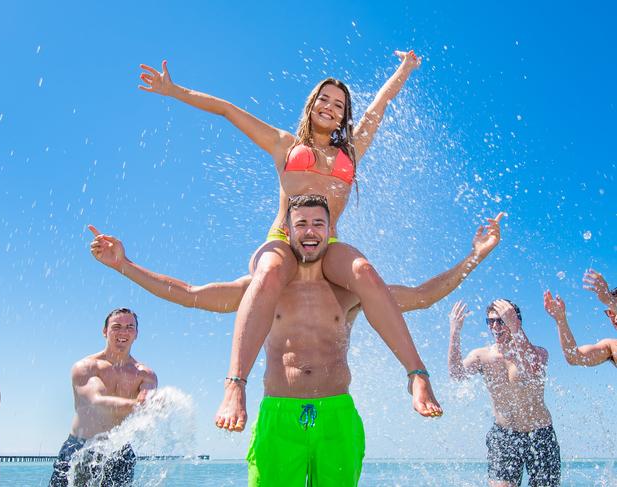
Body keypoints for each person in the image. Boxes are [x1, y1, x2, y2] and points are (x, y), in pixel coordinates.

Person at [89, 197, 503, 486]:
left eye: (318, 224)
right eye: (301, 223)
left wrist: (476, 255)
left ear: (330, 232)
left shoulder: (350, 290)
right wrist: (125, 265)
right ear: (287, 231)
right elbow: (191, 293)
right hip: (280, 416)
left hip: (337, 416)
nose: (309, 231)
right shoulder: (263, 289)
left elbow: (423, 294)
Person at [138, 51, 443, 424]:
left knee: (364, 271)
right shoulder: (285, 145)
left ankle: (416, 374)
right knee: (266, 275)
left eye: (339, 104)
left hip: (326, 243)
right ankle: (235, 384)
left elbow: (380, 104)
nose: (330, 107)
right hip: (284, 238)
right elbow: (228, 111)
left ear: (344, 116)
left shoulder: (352, 151)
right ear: (311, 105)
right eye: (324, 99)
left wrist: (405, 69)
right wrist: (174, 90)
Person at [448, 299, 560, 486]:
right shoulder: (482, 355)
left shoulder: (538, 352)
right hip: (504, 435)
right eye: (490, 321)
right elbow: (456, 374)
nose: (495, 326)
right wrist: (455, 330)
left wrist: (514, 326)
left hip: (540, 433)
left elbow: (531, 367)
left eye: (501, 320)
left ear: (515, 321)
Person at [49, 308, 157, 487]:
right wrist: (140, 404)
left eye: (130, 327)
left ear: (136, 334)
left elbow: (146, 403)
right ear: (105, 331)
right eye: (117, 326)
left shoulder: (146, 375)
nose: (123, 332)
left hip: (120, 452)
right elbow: (95, 401)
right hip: (81, 448)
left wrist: (154, 404)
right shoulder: (86, 367)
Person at [544, 269, 617, 366]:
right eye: (611, 313)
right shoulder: (611, 346)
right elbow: (575, 357)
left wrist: (609, 301)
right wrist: (561, 320)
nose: (615, 319)